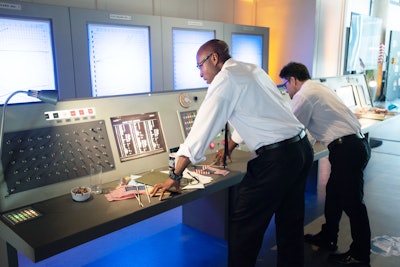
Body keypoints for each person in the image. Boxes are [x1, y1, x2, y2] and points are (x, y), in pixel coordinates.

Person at [150, 39, 313, 267]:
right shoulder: (251, 69)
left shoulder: (225, 79)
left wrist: (175, 175)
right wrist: (231, 144)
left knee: (244, 226)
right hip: (300, 149)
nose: (200, 73)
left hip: (277, 159)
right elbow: (258, 112)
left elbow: (202, 129)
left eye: (200, 65)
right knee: (290, 223)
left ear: (214, 59)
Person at [279, 62, 371, 266]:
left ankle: (360, 253)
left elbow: (291, 126)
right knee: (334, 195)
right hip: (354, 145)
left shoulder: (304, 95)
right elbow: (310, 127)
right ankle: (328, 236)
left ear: (293, 80)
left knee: (353, 203)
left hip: (347, 149)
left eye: (286, 85)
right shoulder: (318, 87)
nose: (286, 90)